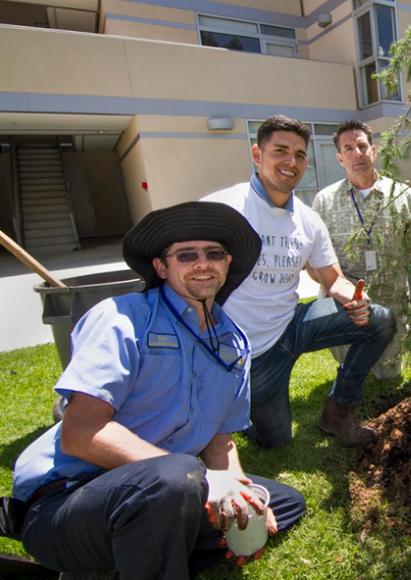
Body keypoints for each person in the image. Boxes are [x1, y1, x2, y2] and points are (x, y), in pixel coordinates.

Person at [11, 202, 306, 579]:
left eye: (214, 253)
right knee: (179, 476)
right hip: (65, 501)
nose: (202, 263)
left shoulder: (234, 344)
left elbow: (220, 443)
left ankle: (129, 559)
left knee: (282, 502)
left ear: (227, 263)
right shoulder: (121, 318)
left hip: (166, 488)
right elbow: (81, 432)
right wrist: (203, 480)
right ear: (161, 267)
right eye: (186, 254)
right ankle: (129, 554)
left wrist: (240, 496)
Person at [202, 115, 396, 449]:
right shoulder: (222, 209)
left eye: (300, 155)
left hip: (293, 326)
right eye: (280, 150)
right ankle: (238, 406)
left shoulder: (308, 220)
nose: (291, 161)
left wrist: (355, 300)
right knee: (275, 441)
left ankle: (339, 410)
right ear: (257, 154)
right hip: (249, 351)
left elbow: (333, 279)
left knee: (380, 319)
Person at [311, 120, 411, 379]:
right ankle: (349, 366)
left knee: (387, 376)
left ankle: (378, 358)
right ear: (340, 158)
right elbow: (312, 262)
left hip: (392, 303)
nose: (357, 153)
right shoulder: (324, 201)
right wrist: (332, 288)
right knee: (353, 372)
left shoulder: (403, 195)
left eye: (362, 146)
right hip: (345, 306)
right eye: (348, 148)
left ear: (373, 151)